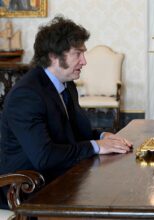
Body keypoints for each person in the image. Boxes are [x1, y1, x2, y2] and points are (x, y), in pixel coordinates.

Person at [0, 16, 132, 209]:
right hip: (26, 190)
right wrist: (96, 146)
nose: (84, 61)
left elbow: (75, 133)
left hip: (59, 178)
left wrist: (104, 136)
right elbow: (44, 157)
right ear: (54, 56)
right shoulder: (26, 95)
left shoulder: (66, 84)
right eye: (78, 54)